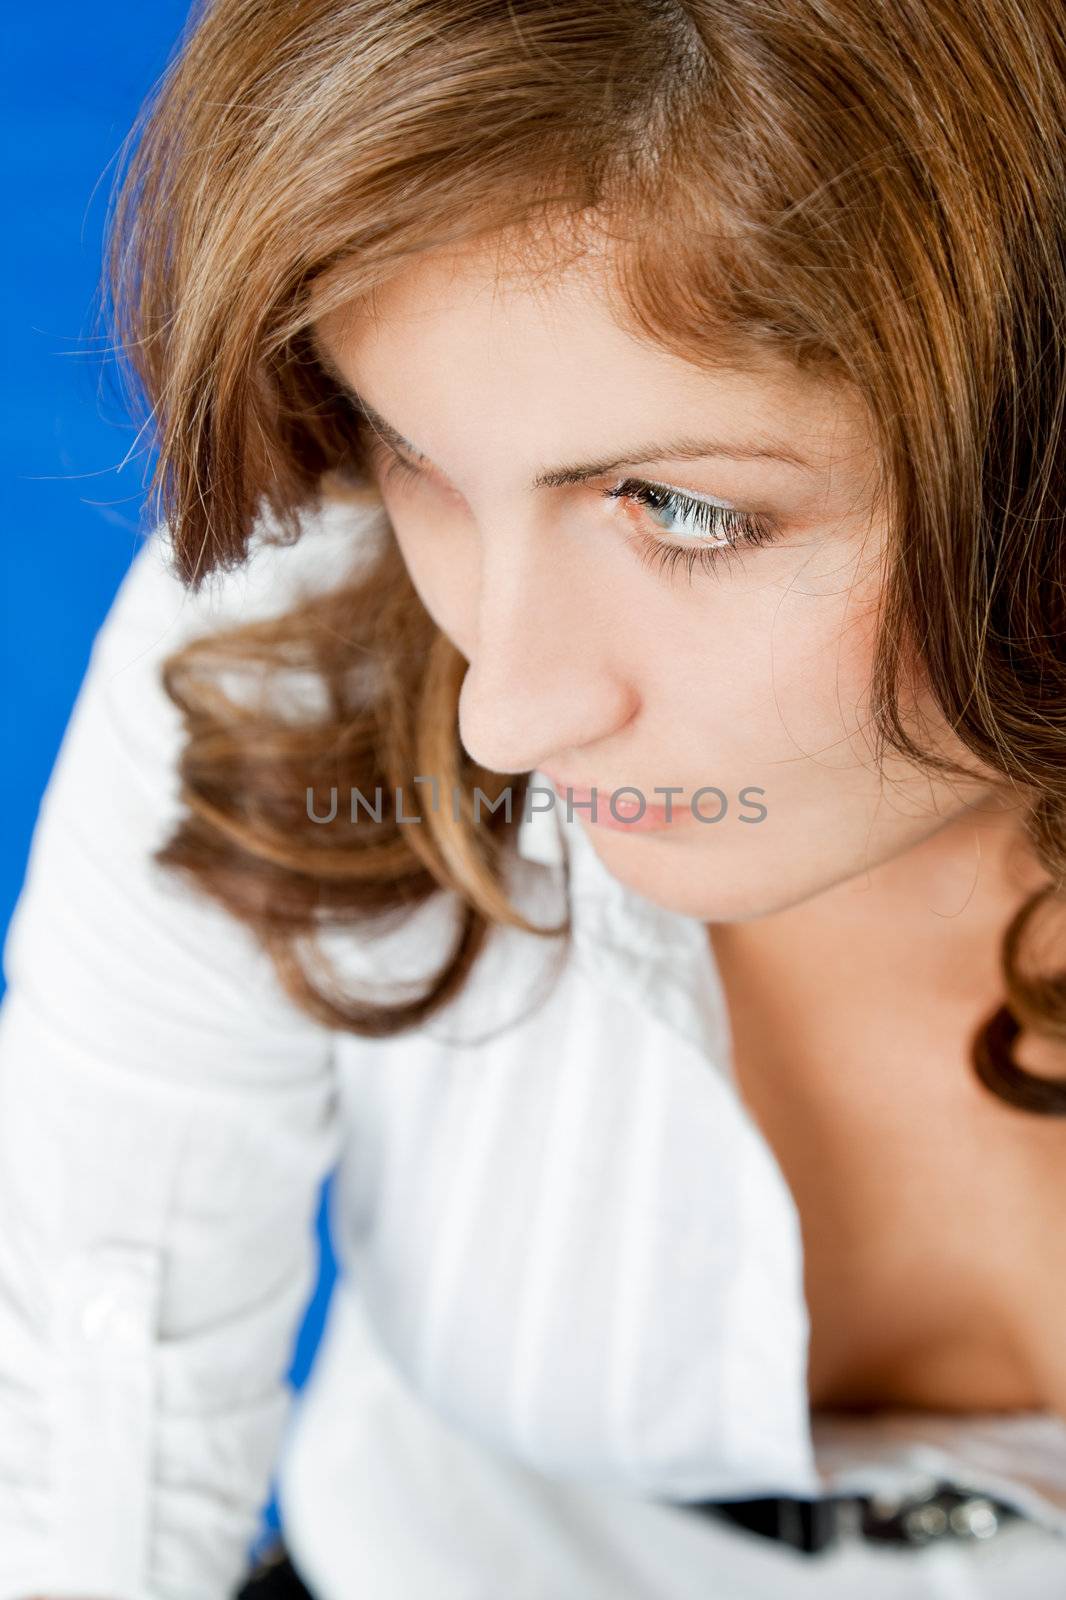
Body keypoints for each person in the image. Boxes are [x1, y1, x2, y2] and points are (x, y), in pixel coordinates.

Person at [3, 0, 1066, 1595]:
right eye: (411, 449)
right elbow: (87, 1423)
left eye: (685, 507)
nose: (502, 713)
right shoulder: (296, 630)